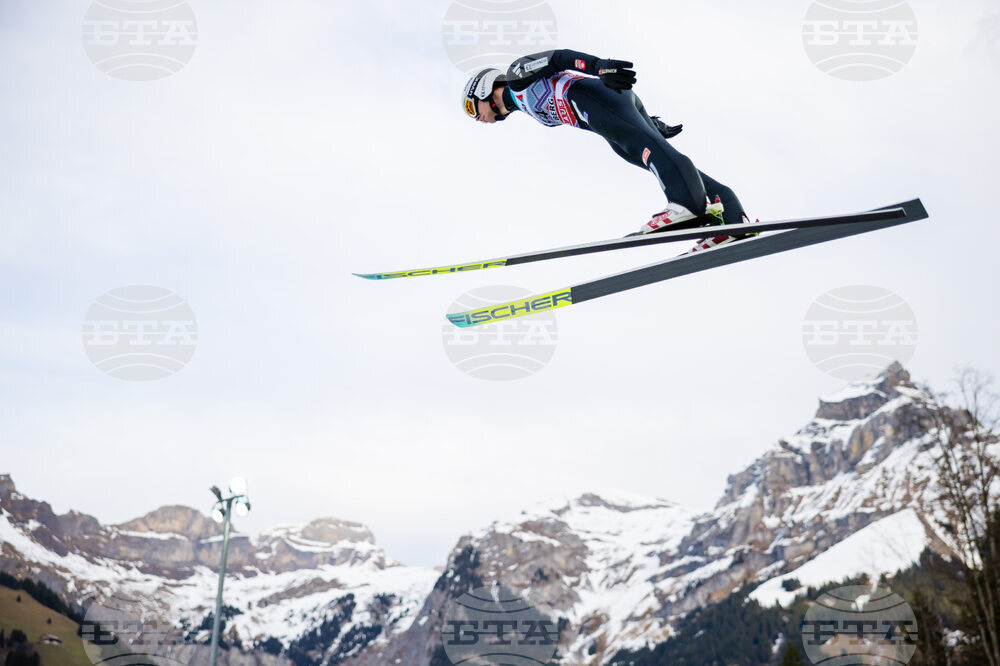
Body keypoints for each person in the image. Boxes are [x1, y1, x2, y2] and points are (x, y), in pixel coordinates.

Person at [461, 49, 755, 250]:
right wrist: (648, 122)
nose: (476, 117)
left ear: (484, 87)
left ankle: (687, 205)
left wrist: (600, 66)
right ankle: (731, 219)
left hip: (596, 97)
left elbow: (559, 58)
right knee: (634, 150)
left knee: (644, 148)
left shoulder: (516, 76)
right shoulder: (523, 106)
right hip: (601, 111)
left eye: (472, 106)